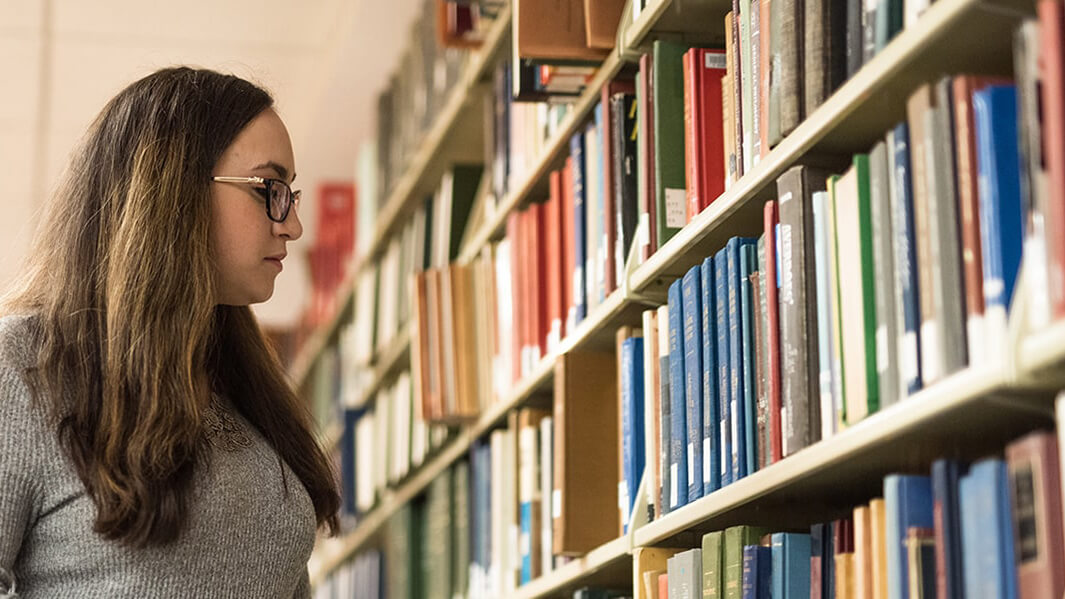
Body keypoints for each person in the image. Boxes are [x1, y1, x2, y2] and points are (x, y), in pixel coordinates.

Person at [0, 66, 339, 598]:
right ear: (173, 190)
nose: (292, 224)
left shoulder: (247, 389)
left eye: (289, 195)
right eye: (270, 189)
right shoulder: (19, 367)